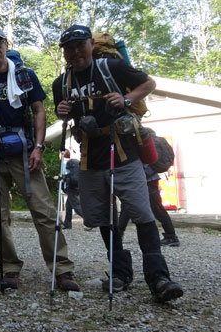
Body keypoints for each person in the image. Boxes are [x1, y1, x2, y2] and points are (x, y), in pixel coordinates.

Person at [52, 24, 183, 302]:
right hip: (89, 158)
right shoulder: (61, 84)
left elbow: (149, 83)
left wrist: (126, 98)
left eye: (80, 45)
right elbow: (64, 113)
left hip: (123, 153)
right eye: (69, 48)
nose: (75, 52)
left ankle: (159, 278)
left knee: (143, 215)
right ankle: (121, 273)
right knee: (103, 220)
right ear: (63, 52)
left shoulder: (111, 67)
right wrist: (61, 110)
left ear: (90, 44)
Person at [0, 27, 79, 291]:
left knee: (44, 211)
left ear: (6, 45)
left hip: (24, 152)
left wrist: (39, 147)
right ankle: (9, 268)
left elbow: (39, 111)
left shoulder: (25, 77)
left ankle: (62, 268)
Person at [118, 164, 180, 246]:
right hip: (147, 177)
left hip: (143, 178)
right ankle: (170, 235)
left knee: (155, 208)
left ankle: (171, 236)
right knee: (156, 208)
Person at [61, 150, 84, 231]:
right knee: (68, 206)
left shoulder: (64, 163)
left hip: (70, 187)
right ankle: (67, 224)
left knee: (76, 205)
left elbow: (63, 175)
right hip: (77, 185)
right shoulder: (74, 163)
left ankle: (89, 220)